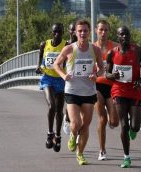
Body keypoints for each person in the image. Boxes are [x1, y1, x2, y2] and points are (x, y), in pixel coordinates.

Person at [54, 19, 104, 165]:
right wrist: (64, 75)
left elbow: (101, 68)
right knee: (76, 123)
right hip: (72, 90)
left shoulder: (95, 50)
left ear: (89, 33)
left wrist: (96, 75)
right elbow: (56, 64)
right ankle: (72, 134)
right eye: (80, 30)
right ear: (75, 32)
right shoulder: (69, 49)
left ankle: (80, 154)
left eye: (85, 31)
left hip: (89, 91)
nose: (82, 33)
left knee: (86, 125)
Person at [105, 25, 141, 168]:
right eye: (121, 34)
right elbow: (106, 74)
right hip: (119, 90)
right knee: (124, 125)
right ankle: (126, 157)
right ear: (117, 37)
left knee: (135, 126)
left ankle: (134, 130)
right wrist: (112, 75)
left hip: (134, 90)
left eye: (127, 34)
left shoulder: (138, 50)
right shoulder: (112, 53)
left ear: (130, 36)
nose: (124, 36)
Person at [35, 23, 68, 152]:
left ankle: (58, 136)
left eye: (60, 32)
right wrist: (38, 67)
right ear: (51, 32)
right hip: (48, 78)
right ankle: (50, 133)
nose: (57, 34)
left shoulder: (66, 45)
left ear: (63, 32)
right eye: (55, 32)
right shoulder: (44, 44)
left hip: (60, 79)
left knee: (59, 111)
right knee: (51, 106)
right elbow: (41, 58)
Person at [94, 19, 119, 161]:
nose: (103, 32)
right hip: (96, 86)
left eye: (106, 30)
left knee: (114, 122)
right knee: (102, 118)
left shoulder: (115, 47)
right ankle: (102, 150)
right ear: (96, 30)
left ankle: (112, 118)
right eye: (101, 30)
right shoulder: (91, 48)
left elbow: (125, 58)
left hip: (111, 86)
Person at [62, 22, 78, 135]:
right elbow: (59, 63)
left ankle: (77, 132)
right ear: (69, 31)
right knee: (69, 104)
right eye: (72, 30)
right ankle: (67, 119)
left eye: (75, 30)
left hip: (81, 80)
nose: (73, 32)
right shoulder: (66, 45)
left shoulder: (83, 44)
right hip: (67, 79)